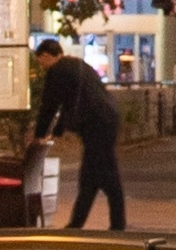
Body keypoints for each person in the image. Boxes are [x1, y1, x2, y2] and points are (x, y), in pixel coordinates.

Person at [30, 39, 125, 231]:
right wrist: (56, 131)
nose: (42, 67)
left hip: (94, 124)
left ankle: (115, 224)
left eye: (41, 62)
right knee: (91, 175)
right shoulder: (78, 65)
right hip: (108, 119)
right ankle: (80, 223)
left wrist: (39, 135)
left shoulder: (57, 72)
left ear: (47, 56)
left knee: (106, 175)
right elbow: (69, 104)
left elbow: (49, 106)